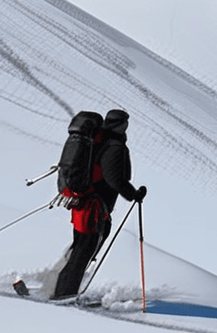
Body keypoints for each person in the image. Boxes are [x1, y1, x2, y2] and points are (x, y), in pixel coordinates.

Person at [52, 109, 147, 299]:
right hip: (95, 206)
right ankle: (64, 294)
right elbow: (114, 179)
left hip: (83, 202)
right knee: (84, 249)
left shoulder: (97, 142)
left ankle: (60, 288)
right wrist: (134, 194)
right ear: (122, 125)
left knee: (81, 246)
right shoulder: (113, 147)